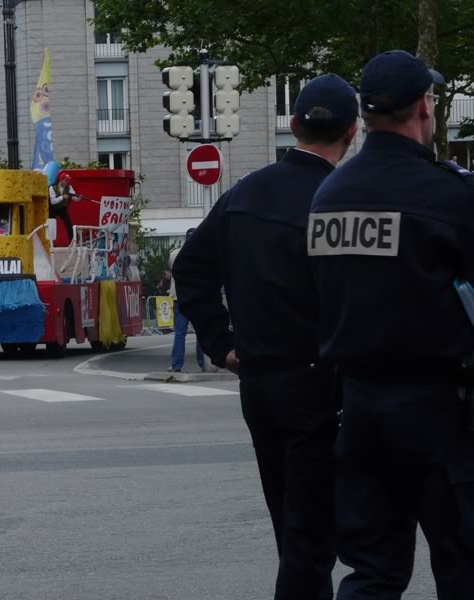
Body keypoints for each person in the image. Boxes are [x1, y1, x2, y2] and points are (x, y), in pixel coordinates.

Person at [174, 74, 360, 600]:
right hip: (320, 384)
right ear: (351, 131)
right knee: (313, 539)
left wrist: (222, 343)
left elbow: (189, 269)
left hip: (258, 381)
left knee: (291, 526)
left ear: (294, 125)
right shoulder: (340, 198)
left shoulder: (245, 192)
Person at [308, 51, 474, 599]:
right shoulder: (449, 195)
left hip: (359, 408)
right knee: (463, 565)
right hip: (437, 410)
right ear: (423, 108)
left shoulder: (329, 196)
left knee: (372, 572)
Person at [168, 229, 205, 373]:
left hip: (179, 298)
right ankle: (203, 363)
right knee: (201, 333)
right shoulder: (203, 253)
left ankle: (176, 364)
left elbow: (172, 269)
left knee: (179, 333)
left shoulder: (174, 254)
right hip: (197, 298)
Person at [48, 172, 80, 242]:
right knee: (52, 225)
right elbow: (53, 202)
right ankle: (50, 243)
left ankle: (72, 242)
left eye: (68, 180)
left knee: (68, 224)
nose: (68, 182)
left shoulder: (69, 187)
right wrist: (62, 197)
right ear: (61, 180)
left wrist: (78, 198)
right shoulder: (52, 188)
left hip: (62, 208)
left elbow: (74, 197)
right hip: (52, 209)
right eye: (66, 180)